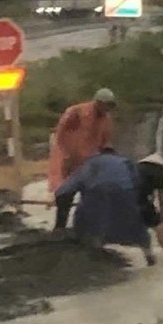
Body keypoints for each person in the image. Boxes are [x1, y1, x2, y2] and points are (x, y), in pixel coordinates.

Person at [54, 146, 156, 266]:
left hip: (96, 196)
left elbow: (63, 191)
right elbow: (140, 185)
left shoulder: (89, 164)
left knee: (87, 228)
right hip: (124, 194)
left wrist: (60, 225)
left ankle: (94, 255)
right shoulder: (125, 162)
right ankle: (149, 257)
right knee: (137, 227)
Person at [49, 88, 116, 229]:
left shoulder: (106, 119)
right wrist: (66, 155)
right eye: (106, 105)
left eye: (110, 106)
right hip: (68, 159)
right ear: (98, 102)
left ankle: (84, 229)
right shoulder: (76, 113)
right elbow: (59, 134)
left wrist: (107, 155)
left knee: (92, 197)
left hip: (89, 163)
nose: (107, 109)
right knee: (64, 196)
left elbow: (106, 140)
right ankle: (59, 229)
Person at [137, 153, 163, 258]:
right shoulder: (160, 171)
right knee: (158, 226)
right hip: (140, 198)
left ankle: (149, 257)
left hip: (125, 196)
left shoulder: (139, 168)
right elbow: (162, 198)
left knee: (139, 226)